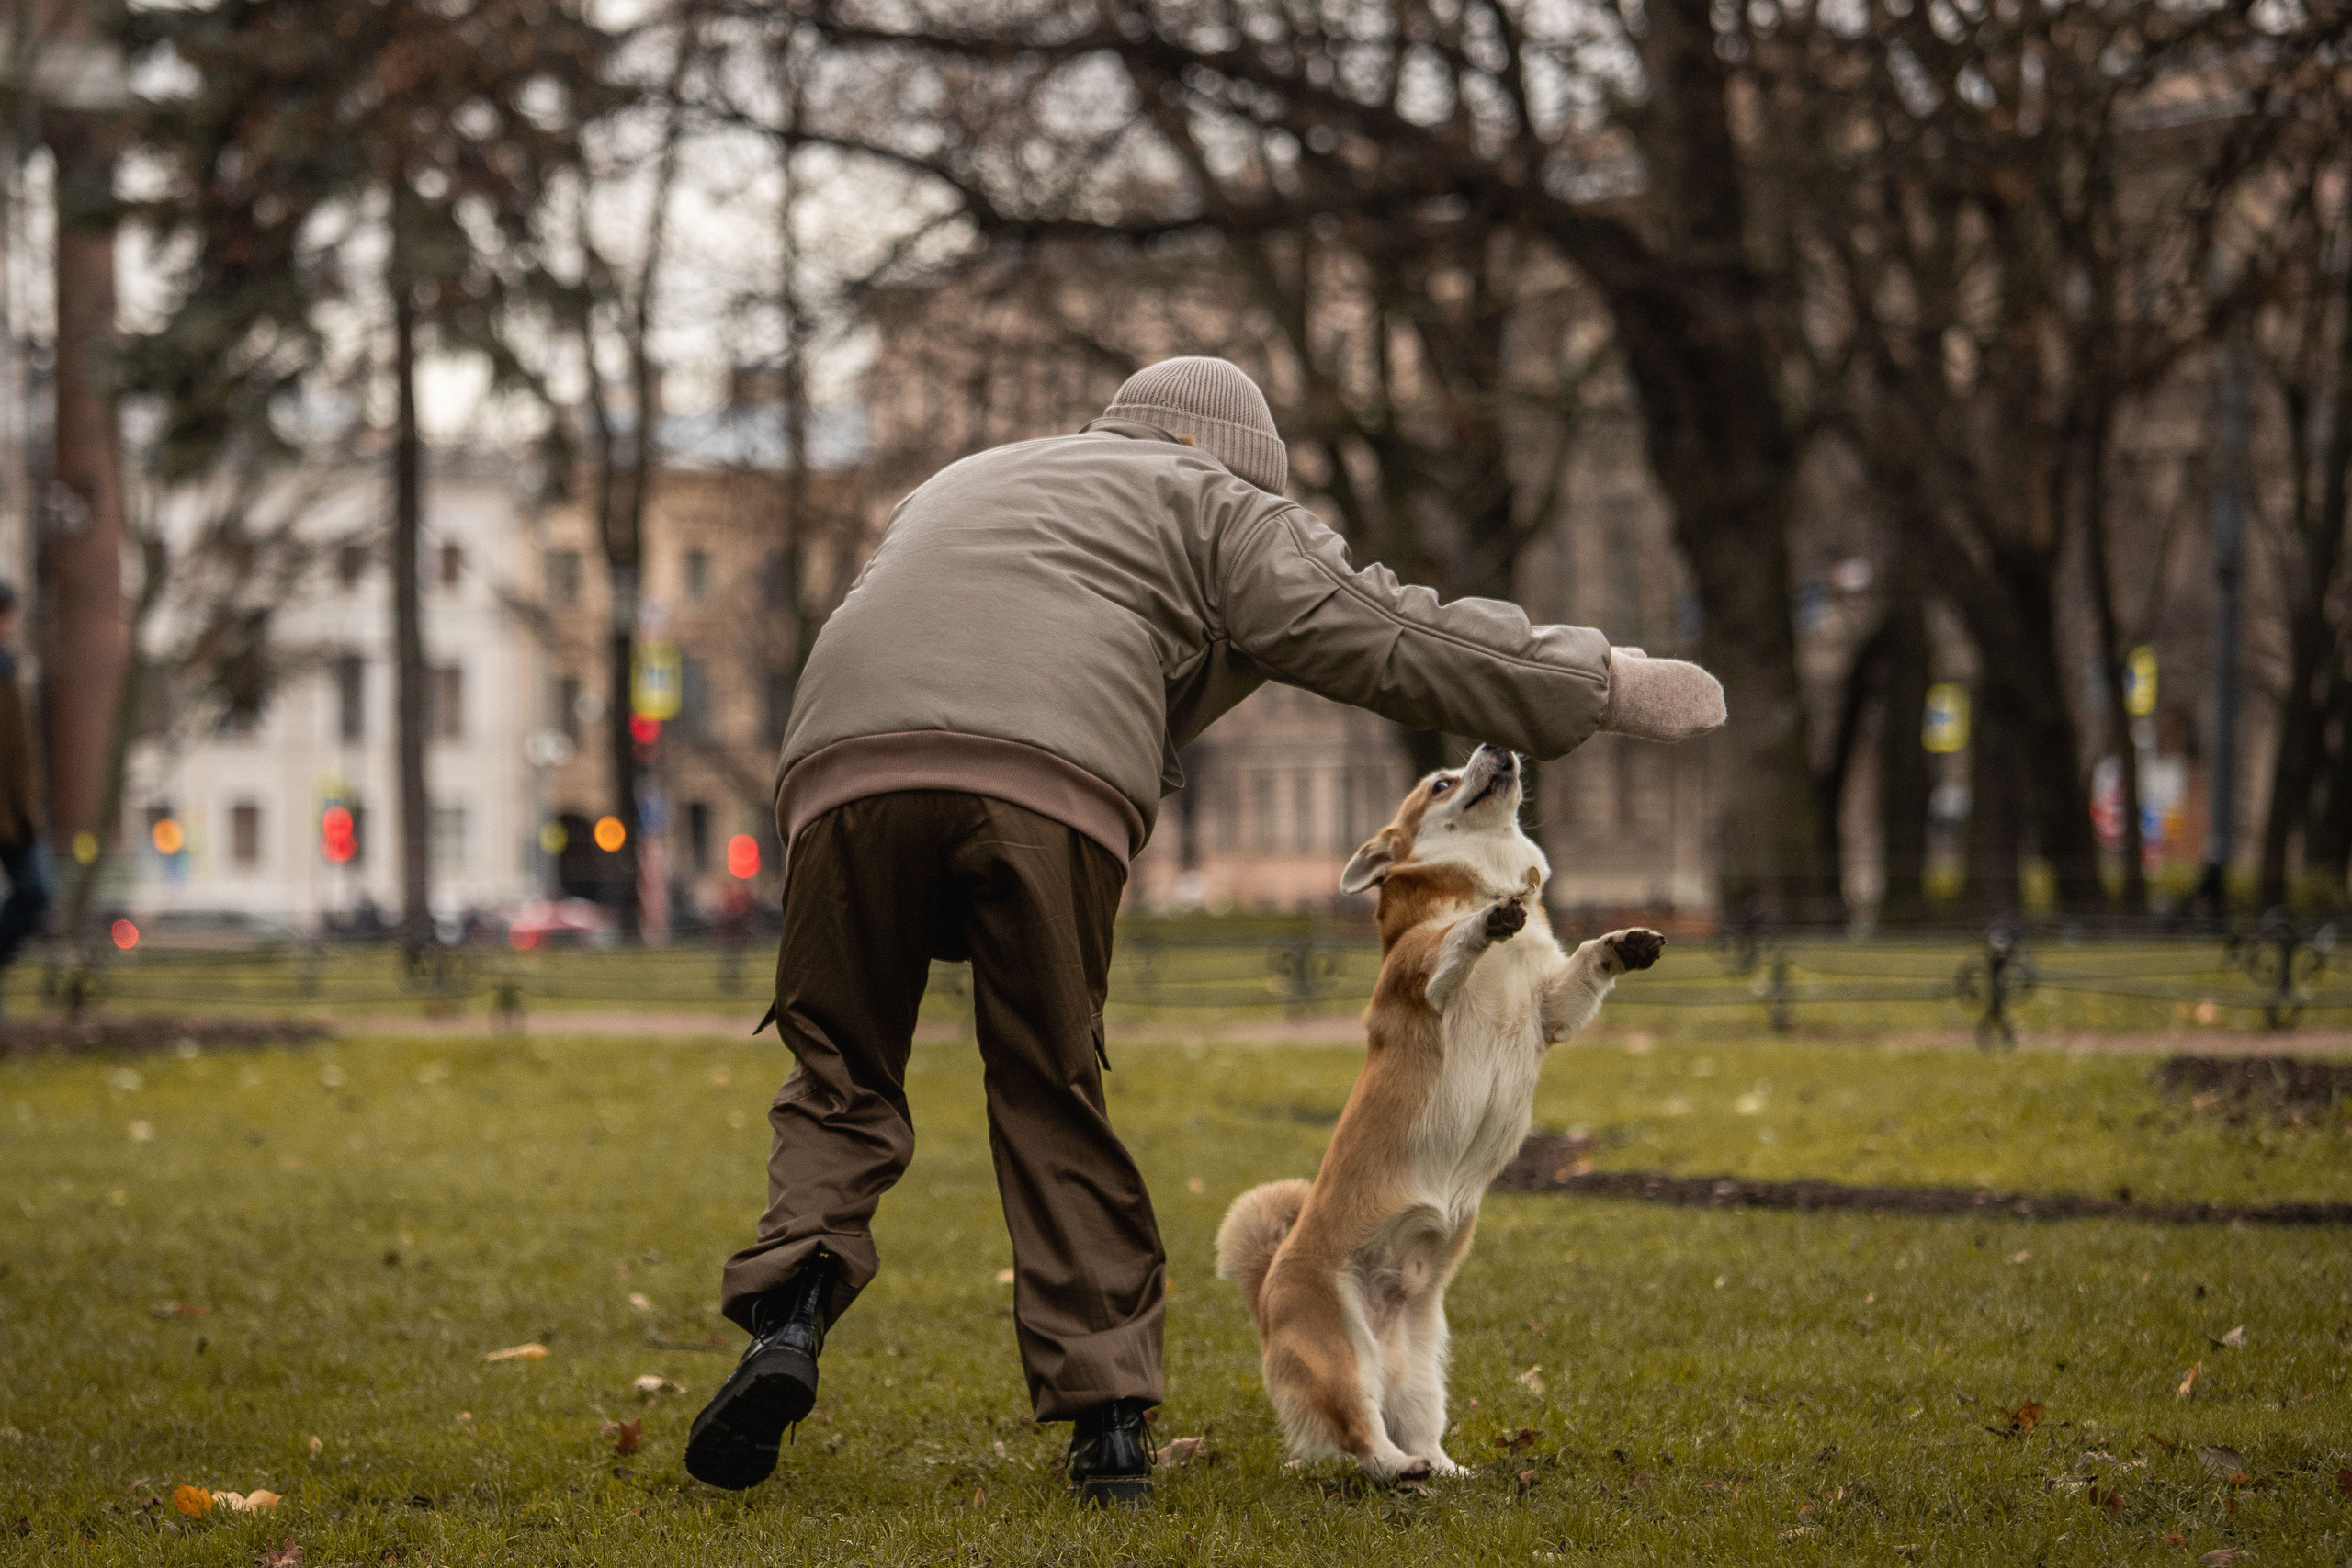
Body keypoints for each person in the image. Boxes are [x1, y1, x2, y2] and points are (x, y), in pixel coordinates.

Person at [684, 358, 1726, 1504]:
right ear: (1237, 461)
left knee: (838, 1072)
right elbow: (1387, 630)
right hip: (1044, 781)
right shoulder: (1217, 503)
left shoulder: (966, 480)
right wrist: (1601, 684)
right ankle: (1107, 1425)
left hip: (834, 769)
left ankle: (787, 1320)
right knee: (1048, 1084)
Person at [0, 581, 49, 1010]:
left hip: (16, 814)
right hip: (8, 811)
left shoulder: (11, 668)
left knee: (37, 892)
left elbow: (21, 749)